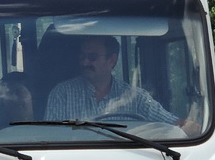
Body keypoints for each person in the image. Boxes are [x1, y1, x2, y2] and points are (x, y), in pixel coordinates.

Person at [43, 35, 198, 134]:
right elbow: (47, 139)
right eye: (82, 56)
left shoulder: (136, 98)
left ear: (112, 60)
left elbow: (175, 126)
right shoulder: (62, 94)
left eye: (92, 57)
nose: (85, 62)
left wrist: (202, 132)